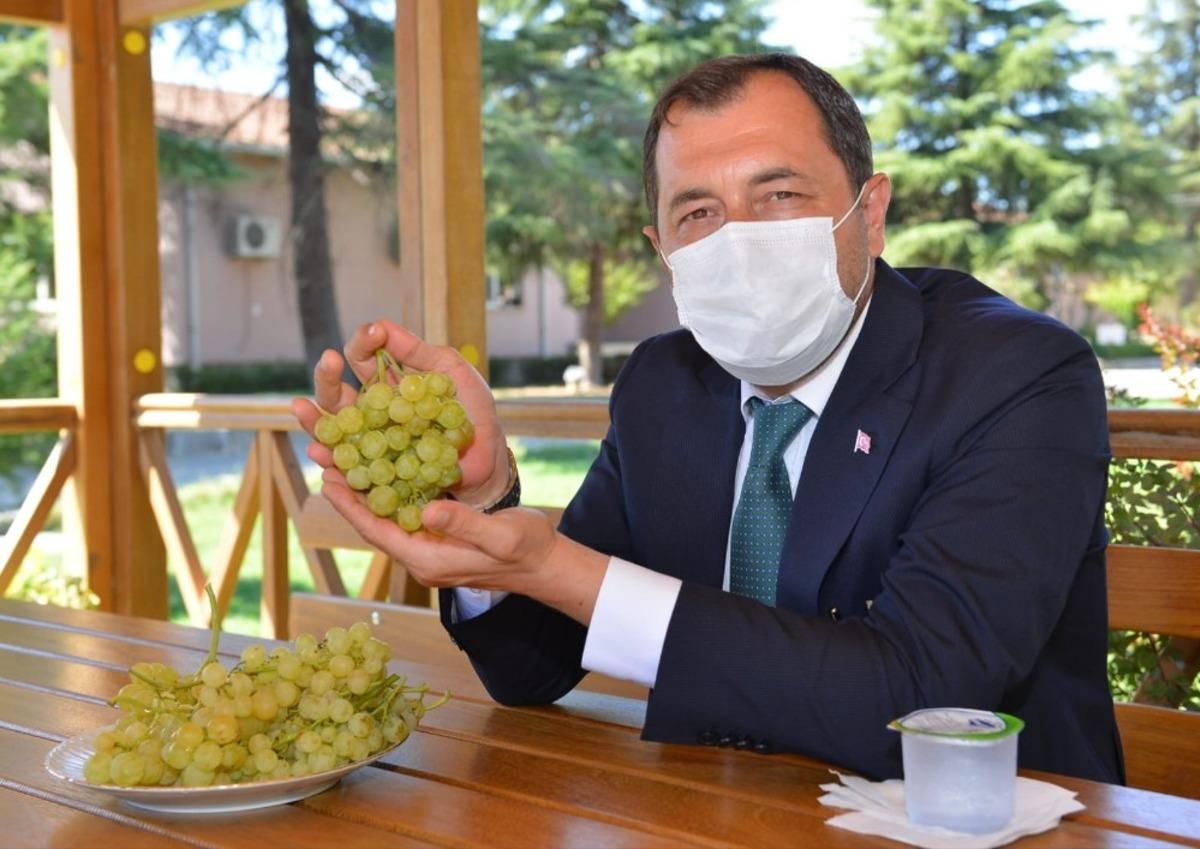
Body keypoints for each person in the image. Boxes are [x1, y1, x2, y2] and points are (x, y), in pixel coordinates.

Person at [294, 52, 1124, 785]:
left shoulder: (1017, 374)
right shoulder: (664, 383)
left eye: (779, 194)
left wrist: (560, 566)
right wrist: (483, 498)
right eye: (698, 212)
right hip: (702, 807)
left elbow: (920, 700)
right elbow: (530, 668)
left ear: (869, 214)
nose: (738, 240)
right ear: (664, 248)